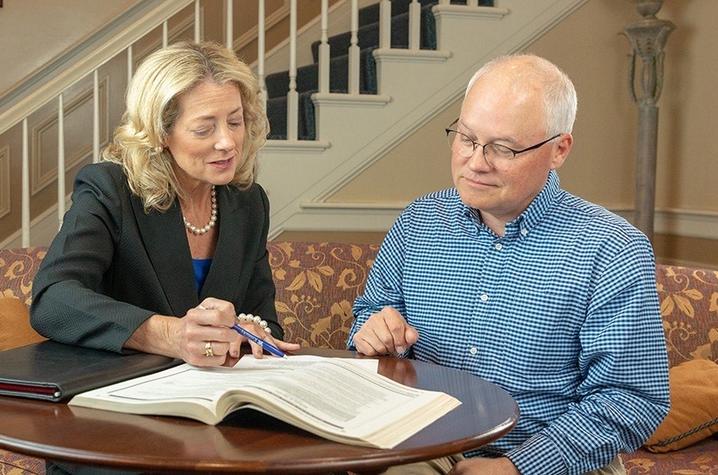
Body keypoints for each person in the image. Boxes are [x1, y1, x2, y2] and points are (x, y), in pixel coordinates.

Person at [347, 54, 670, 475]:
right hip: (422, 445)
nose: (477, 162)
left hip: (550, 457)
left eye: (503, 148)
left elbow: (632, 398)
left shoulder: (611, 249)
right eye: (466, 138)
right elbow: (368, 320)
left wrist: (517, 467)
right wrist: (372, 333)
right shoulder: (418, 221)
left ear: (559, 150)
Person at [31, 41, 300, 368]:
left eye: (235, 121)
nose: (228, 142)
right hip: (119, 390)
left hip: (215, 392)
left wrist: (248, 331)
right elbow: (53, 299)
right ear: (160, 133)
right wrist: (169, 334)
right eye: (204, 128)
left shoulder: (249, 202)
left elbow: (263, 319)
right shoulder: (110, 189)